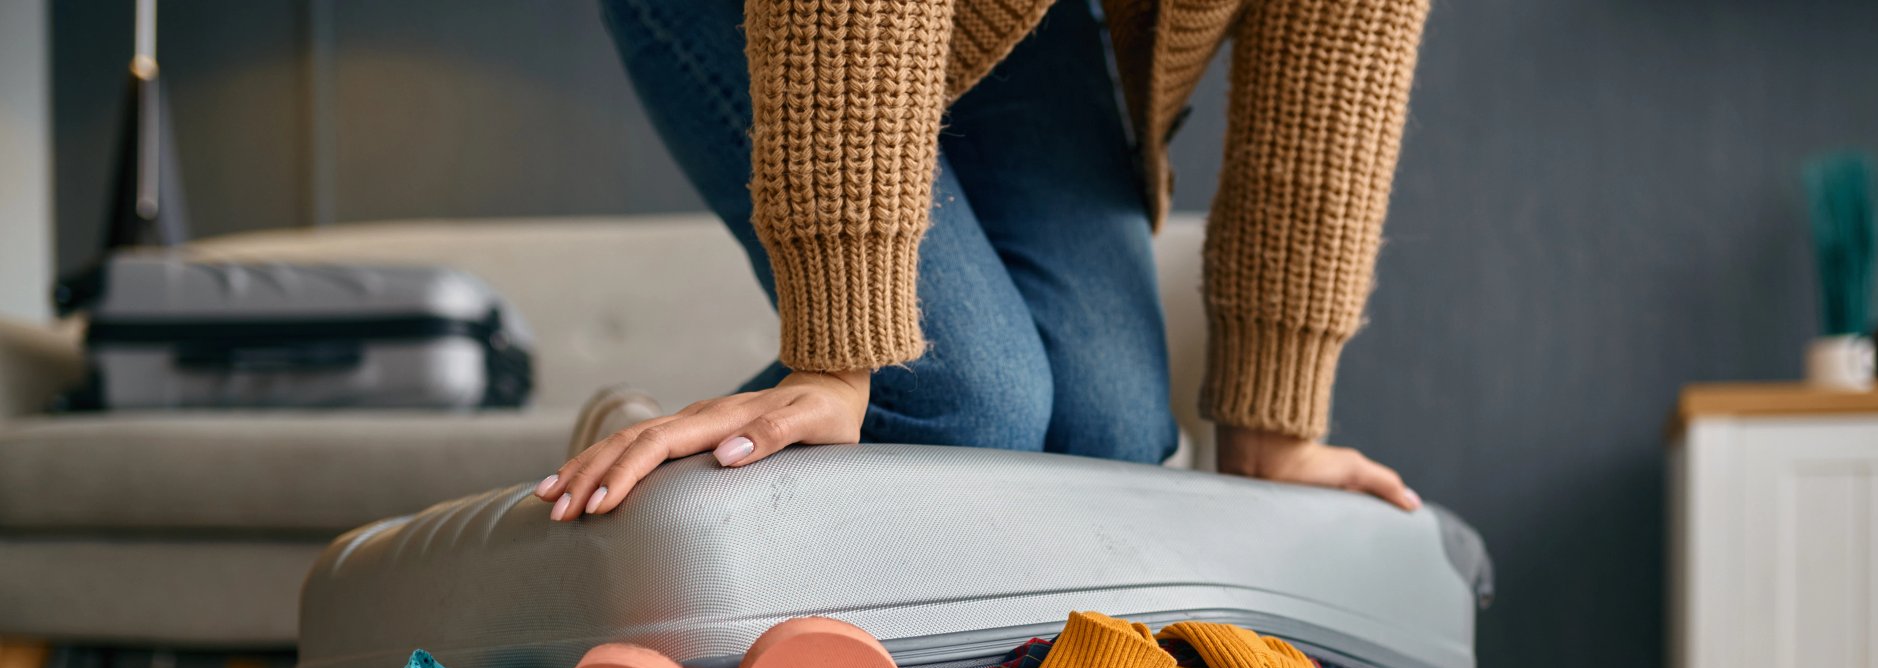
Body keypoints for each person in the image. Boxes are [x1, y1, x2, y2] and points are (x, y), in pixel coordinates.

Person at [537, 0, 1431, 522]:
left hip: (1039, 28)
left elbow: (1339, 50)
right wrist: (837, 360)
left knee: (1113, 440)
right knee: (960, 400)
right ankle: (629, 509)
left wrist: (1274, 429)